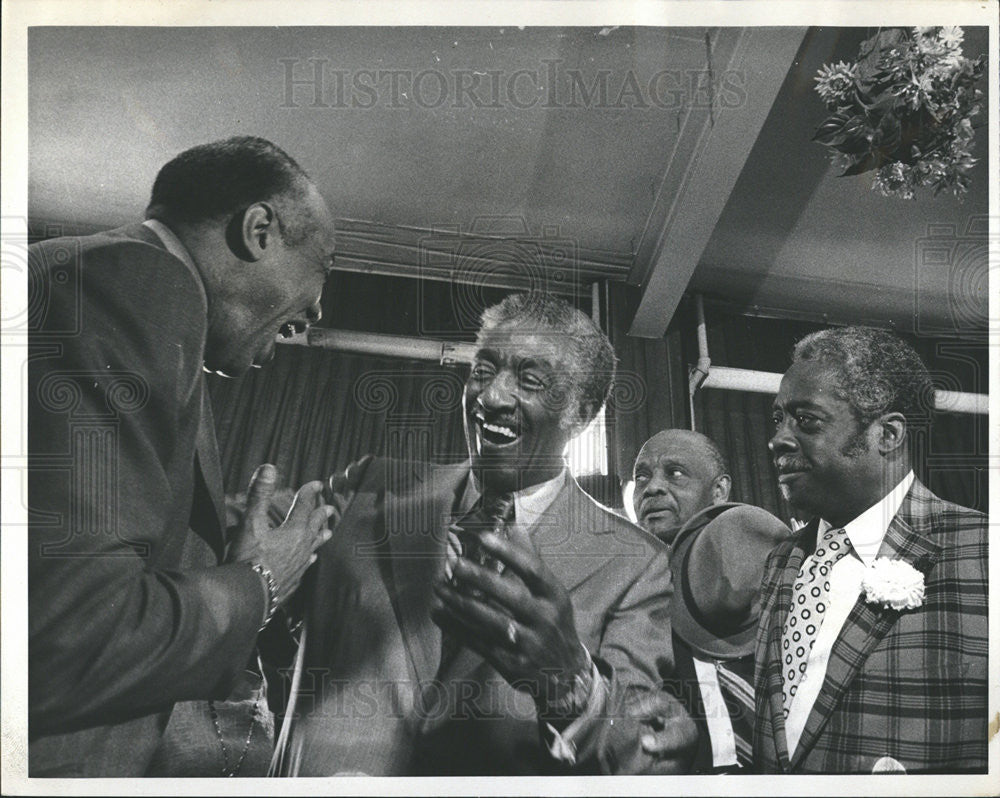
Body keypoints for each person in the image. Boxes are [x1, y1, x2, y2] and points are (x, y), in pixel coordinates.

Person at [28, 136, 339, 776]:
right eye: (323, 269)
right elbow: (76, 641)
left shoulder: (101, 280)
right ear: (259, 231)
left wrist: (223, 556)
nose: (316, 310)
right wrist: (265, 580)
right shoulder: (140, 282)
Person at [280, 293, 682, 775]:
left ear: (582, 413)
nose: (491, 396)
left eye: (529, 380)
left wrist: (571, 684)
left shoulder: (637, 564)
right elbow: (249, 570)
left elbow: (641, 757)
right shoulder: (369, 486)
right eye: (483, 370)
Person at [755, 326, 988, 773]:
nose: (778, 439)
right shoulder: (781, 560)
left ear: (888, 434)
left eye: (806, 420)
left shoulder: (983, 552)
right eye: (778, 419)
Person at [629, 429, 791, 773]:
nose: (652, 487)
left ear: (718, 491)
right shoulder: (625, 590)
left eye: (675, 473)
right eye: (641, 476)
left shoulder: (761, 557)